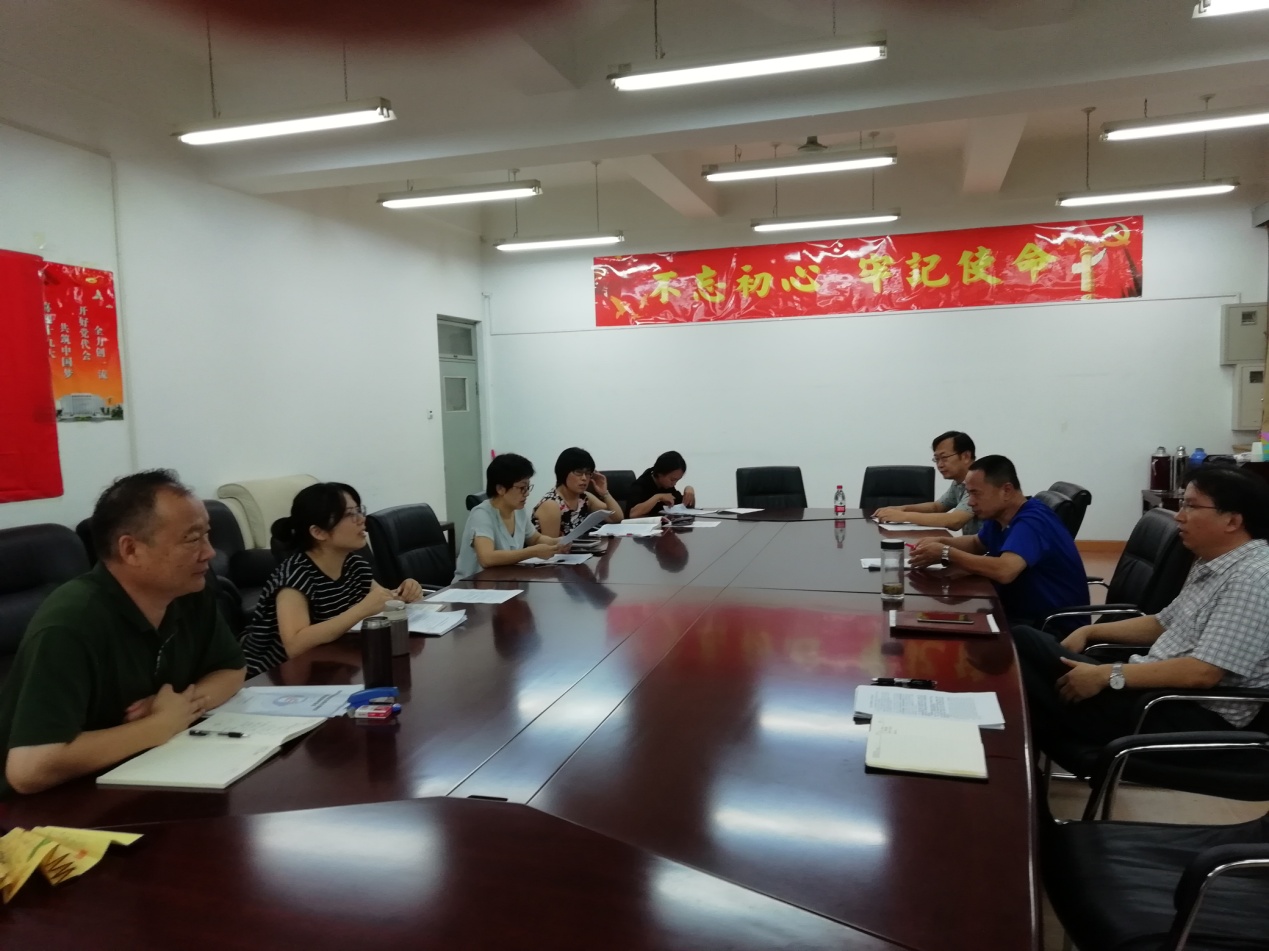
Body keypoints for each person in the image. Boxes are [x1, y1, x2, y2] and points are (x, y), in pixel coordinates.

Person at [0, 470, 247, 796]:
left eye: (207, 535)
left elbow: (231, 670)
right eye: (191, 539)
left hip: (142, 773)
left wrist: (182, 707)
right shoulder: (71, 623)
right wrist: (158, 726)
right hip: (48, 808)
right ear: (131, 550)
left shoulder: (188, 591)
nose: (209, 552)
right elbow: (29, 769)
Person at [1015, 466, 1269, 766]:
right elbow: (1162, 622)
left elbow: (1202, 673)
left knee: (1024, 662)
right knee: (1024, 649)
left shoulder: (1252, 578)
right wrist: (1090, 632)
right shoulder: (1215, 562)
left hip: (1184, 714)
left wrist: (1108, 675)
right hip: (1152, 692)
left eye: (1191, 505)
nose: (1179, 516)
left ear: (1233, 521)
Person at [240, 482, 423, 676]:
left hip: (329, 662)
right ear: (318, 532)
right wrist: (362, 609)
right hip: (271, 676)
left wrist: (404, 594)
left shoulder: (354, 564)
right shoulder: (295, 577)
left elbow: (381, 601)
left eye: (359, 510)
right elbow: (294, 645)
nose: (361, 519)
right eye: (350, 514)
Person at [908, 455, 1087, 632]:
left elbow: (1004, 570)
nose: (970, 502)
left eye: (976, 493)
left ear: (1006, 490)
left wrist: (947, 552)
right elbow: (976, 542)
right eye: (969, 493)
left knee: (945, 629)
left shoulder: (1032, 521)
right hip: (1016, 611)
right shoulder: (1000, 516)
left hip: (1048, 627)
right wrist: (941, 541)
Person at [455, 453, 567, 580]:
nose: (527, 493)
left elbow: (536, 539)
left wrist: (558, 543)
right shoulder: (481, 514)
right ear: (500, 489)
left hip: (503, 583)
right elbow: (487, 558)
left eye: (528, 487)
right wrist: (532, 552)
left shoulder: (518, 511)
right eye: (522, 488)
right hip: (472, 586)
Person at [873, 430, 982, 534]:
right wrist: (902, 509)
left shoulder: (979, 482)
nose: (940, 465)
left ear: (966, 456)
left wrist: (904, 516)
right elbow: (937, 507)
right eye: (937, 459)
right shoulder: (959, 482)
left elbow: (955, 521)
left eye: (944, 458)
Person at [532, 447, 623, 538]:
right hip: (558, 548)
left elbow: (616, 518)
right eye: (578, 472)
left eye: (587, 473)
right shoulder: (551, 504)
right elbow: (551, 545)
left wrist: (605, 493)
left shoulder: (584, 498)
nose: (584, 478)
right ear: (563, 472)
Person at [627, 451, 695, 518]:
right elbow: (632, 514)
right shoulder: (640, 485)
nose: (674, 483)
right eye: (672, 479)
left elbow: (686, 506)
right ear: (660, 473)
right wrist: (658, 497)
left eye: (677, 480)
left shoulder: (667, 486)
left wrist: (689, 489)